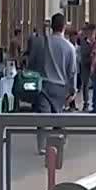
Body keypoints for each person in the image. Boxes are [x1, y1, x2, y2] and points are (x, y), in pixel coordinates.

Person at [25, 13, 78, 156]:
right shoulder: (70, 48)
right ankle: (58, 142)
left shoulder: (41, 43)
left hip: (43, 85)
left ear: (52, 26)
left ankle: (42, 145)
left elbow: (31, 64)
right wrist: (73, 90)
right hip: (60, 87)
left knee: (43, 116)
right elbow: (72, 71)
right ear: (64, 27)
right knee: (58, 115)